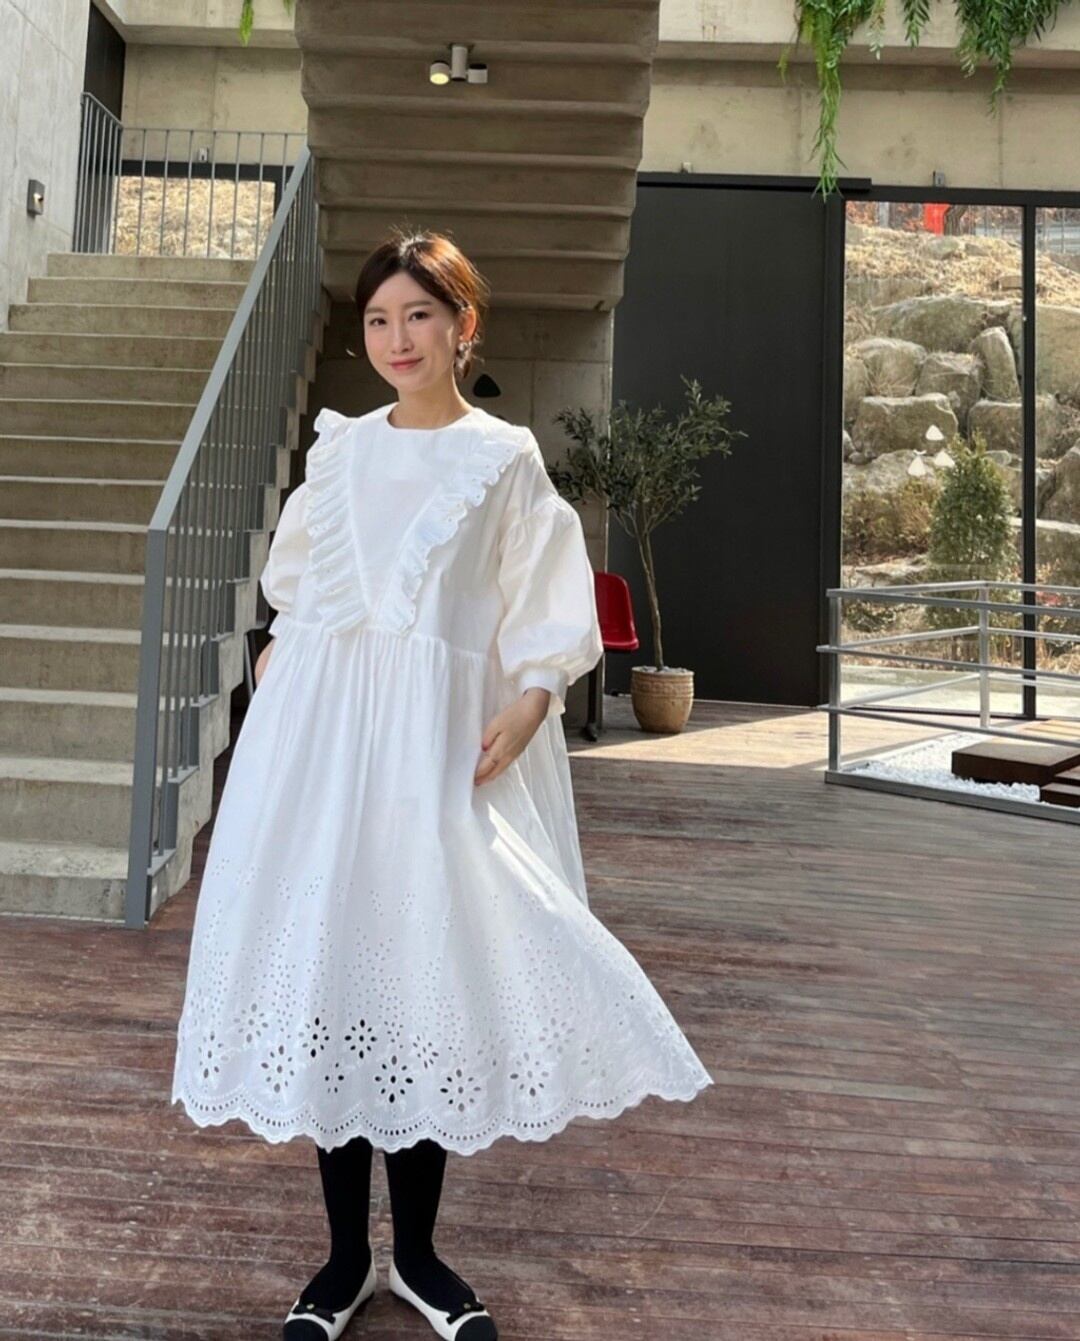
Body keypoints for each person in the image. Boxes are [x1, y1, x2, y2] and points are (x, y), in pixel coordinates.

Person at [170, 228, 713, 1341]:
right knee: (330, 980)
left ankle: (416, 1257)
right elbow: (299, 589)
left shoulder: (502, 458)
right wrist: (283, 657)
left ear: (463, 324)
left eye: (417, 314)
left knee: (420, 982)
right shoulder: (340, 450)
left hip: (434, 756)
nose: (396, 338)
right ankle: (340, 1264)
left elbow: (545, 602)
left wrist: (532, 698)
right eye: (378, 319)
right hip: (319, 758)